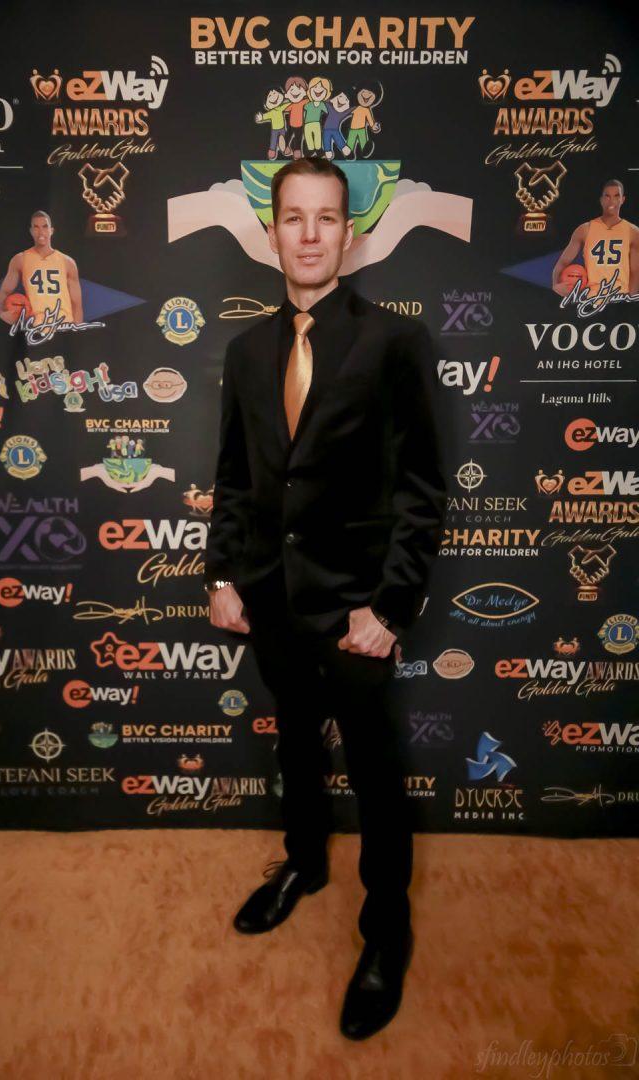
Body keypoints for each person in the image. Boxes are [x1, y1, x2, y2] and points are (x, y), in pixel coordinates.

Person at [204, 157, 446, 1041]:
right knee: (296, 747)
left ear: (351, 233)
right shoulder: (244, 350)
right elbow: (236, 477)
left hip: (356, 614)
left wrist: (390, 609)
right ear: (271, 231)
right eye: (294, 217)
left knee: (376, 772)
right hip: (272, 601)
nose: (309, 235)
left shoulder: (393, 341)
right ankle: (304, 863)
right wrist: (222, 576)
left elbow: (422, 488)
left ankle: (386, 928)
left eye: (327, 218)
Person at [552, 179, 639, 297]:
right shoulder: (584, 230)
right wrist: (555, 285)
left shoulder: (633, 232)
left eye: (616, 196)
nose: (611, 200)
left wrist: (630, 301)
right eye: (607, 196)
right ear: (601, 199)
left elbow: (635, 271)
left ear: (622, 199)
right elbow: (563, 262)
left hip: (620, 296)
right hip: (591, 298)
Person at [0, 210, 83, 324]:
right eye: (36, 227)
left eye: (45, 227)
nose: (41, 232)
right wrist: (2, 313)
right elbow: (4, 292)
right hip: (36, 325)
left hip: (64, 324)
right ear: (31, 231)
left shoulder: (68, 262)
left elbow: (77, 304)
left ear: (51, 231)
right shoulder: (20, 259)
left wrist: (76, 331)